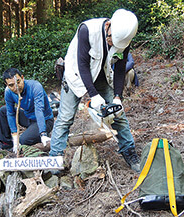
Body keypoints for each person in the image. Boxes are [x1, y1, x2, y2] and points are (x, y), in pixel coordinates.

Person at [49, 9, 141, 172]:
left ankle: (130, 152)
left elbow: (120, 68)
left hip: (102, 74)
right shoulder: (87, 30)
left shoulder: (124, 38)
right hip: (76, 75)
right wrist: (94, 95)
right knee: (65, 119)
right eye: (112, 41)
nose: (113, 45)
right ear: (108, 26)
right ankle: (54, 161)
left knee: (117, 114)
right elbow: (82, 65)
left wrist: (118, 97)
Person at [0, 68, 54, 153]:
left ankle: (40, 135)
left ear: (22, 78)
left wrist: (43, 133)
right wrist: (15, 136)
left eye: (18, 82)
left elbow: (39, 110)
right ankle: (7, 144)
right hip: (28, 117)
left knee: (22, 141)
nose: (16, 87)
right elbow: (11, 113)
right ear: (7, 85)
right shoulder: (8, 92)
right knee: (3, 111)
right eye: (11, 85)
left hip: (44, 120)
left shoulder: (35, 87)